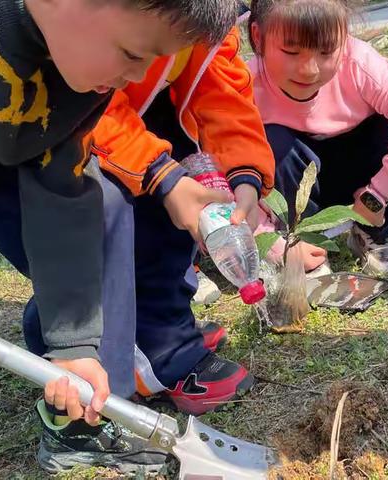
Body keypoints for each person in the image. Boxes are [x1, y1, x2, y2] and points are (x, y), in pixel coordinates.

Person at [0, 0, 239, 473]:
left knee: (102, 201)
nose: (136, 76)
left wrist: (74, 347)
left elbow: (60, 194)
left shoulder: (82, 81)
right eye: (132, 53)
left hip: (13, 163)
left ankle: (88, 418)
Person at [88, 6, 275, 417]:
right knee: (135, 207)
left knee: (189, 182)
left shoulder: (212, 13)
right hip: (77, 121)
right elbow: (84, 89)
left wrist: (244, 173)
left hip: (133, 110)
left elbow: (221, 89)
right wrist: (159, 173)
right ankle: (159, 353)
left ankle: (162, 321)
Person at [247, 0, 388, 275]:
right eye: (291, 51)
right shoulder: (245, 86)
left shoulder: (359, 63)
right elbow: (223, 177)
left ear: (343, 37)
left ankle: (372, 230)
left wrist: (377, 196)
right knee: (273, 141)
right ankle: (301, 242)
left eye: (326, 51)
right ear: (258, 38)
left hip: (363, 181)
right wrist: (271, 242)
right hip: (294, 183)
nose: (309, 70)